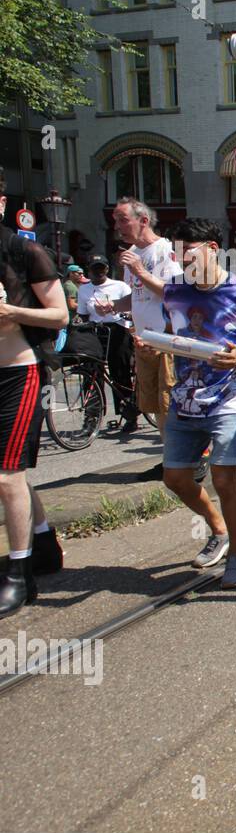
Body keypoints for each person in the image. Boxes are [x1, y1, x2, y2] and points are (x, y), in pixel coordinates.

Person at [156, 218, 236, 588]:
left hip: (232, 398)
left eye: (188, 253)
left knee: (224, 478)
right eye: (178, 254)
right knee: (175, 478)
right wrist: (155, 344)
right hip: (185, 398)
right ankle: (217, 528)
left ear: (212, 249)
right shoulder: (173, 292)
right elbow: (172, 336)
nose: (182, 261)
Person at [0, 173, 69, 615]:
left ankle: (18, 575)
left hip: (17, 372)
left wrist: (9, 310)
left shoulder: (24, 250)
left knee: (6, 477)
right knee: (13, 478)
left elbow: (60, 315)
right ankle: (44, 546)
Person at [113, 197, 182, 467]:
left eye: (122, 219)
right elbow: (136, 296)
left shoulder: (165, 250)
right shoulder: (133, 253)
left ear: (143, 221)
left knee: (169, 402)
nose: (118, 226)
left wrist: (139, 270)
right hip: (144, 341)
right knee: (153, 402)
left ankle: (178, 463)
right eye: (115, 220)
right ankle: (172, 460)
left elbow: (172, 294)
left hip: (167, 340)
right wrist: (113, 305)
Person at [79, 255, 136, 428]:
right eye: (95, 269)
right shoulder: (84, 289)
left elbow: (134, 307)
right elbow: (83, 314)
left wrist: (125, 315)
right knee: (90, 371)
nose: (98, 272)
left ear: (107, 269)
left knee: (120, 371)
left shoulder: (120, 286)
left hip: (117, 329)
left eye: (101, 268)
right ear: (88, 270)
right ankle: (92, 415)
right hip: (95, 330)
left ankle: (128, 413)